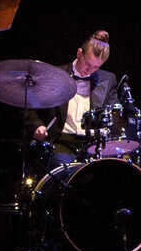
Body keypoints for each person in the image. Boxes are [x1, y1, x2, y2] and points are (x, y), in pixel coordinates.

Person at [32, 30, 115, 166]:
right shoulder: (54, 74)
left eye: (96, 67)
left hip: (92, 144)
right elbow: (30, 105)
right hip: (61, 142)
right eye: (87, 64)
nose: (89, 70)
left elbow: (114, 114)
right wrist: (37, 125)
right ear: (79, 53)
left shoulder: (108, 80)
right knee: (67, 170)